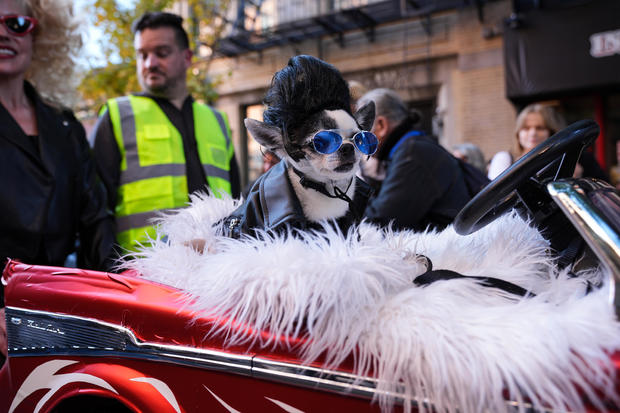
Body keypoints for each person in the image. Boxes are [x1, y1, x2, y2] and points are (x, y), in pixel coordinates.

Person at [0, 0, 116, 363]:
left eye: (16, 23)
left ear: (41, 34)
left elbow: (96, 218)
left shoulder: (64, 126)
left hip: (60, 321)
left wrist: (120, 292)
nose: (3, 32)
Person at [91, 11, 241, 255]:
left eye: (161, 53)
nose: (149, 63)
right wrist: (112, 273)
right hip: (140, 274)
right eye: (142, 55)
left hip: (215, 268)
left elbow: (236, 200)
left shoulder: (217, 121)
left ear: (187, 57)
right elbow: (94, 212)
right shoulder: (117, 115)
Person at [358, 88, 472, 232]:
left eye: (361, 130)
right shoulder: (412, 148)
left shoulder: (413, 154)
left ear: (381, 125)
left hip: (452, 250)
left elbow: (381, 220)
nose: (359, 141)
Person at [487, 103, 609, 181]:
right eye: (526, 128)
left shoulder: (577, 158)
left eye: (539, 128)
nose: (533, 133)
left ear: (551, 132)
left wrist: (580, 178)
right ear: (518, 133)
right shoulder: (505, 160)